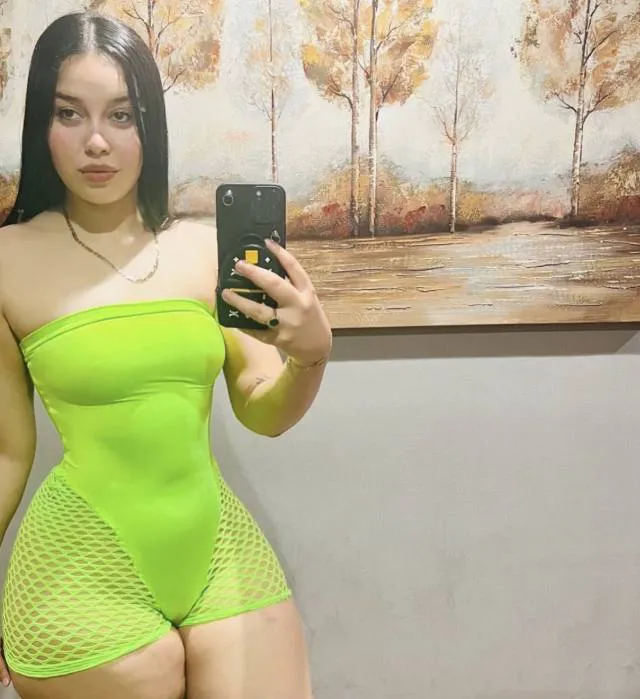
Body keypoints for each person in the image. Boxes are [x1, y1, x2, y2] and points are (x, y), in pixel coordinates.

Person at [0, 11, 331, 699]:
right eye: (70, 113)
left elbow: (263, 410)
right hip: (77, 570)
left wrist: (311, 358)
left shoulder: (206, 250)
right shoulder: (7, 261)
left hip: (219, 553)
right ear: (41, 124)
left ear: (150, 126)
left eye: (122, 115)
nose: (97, 141)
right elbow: (6, 451)